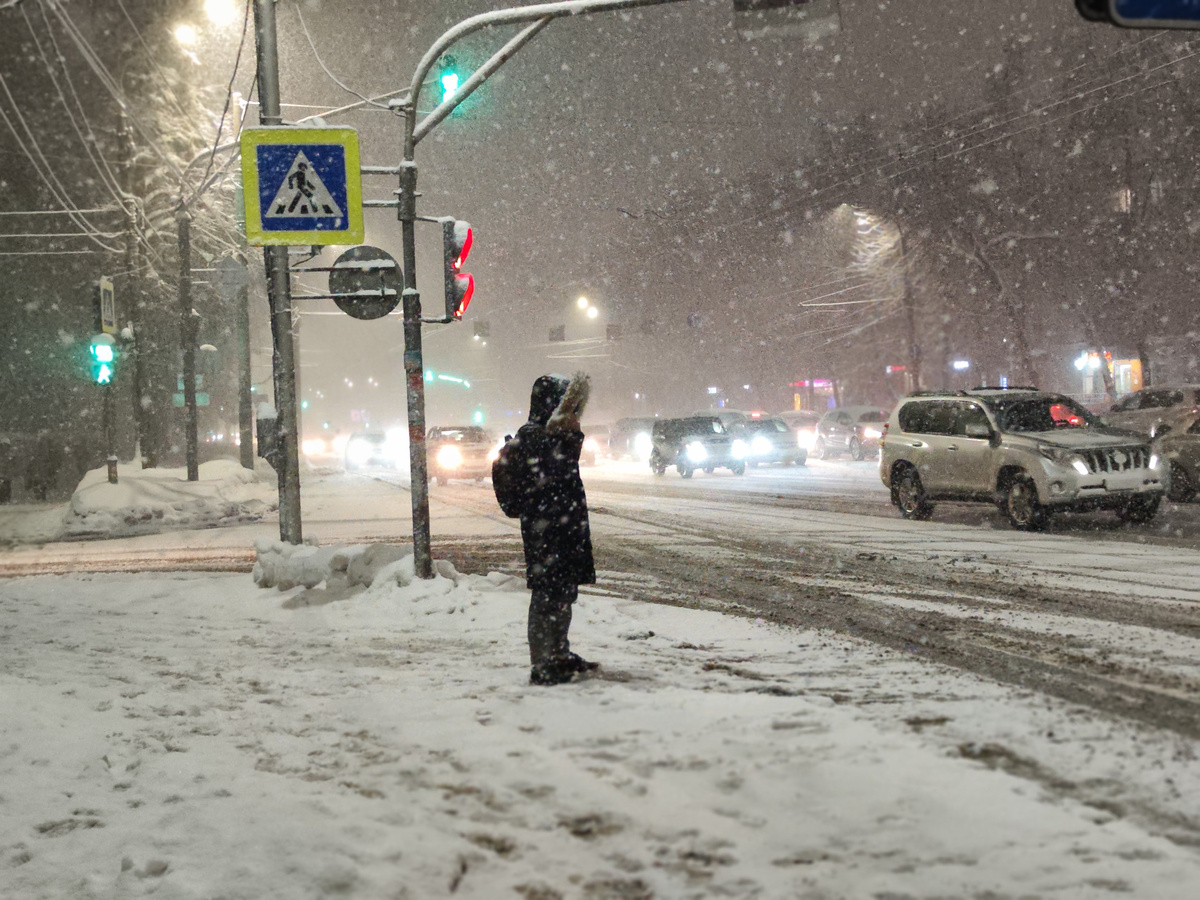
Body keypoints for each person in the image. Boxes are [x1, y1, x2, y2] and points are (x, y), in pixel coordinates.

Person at [517, 372, 599, 685]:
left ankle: (559, 653)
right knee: (546, 596)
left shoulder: (550, 432)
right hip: (546, 529)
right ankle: (542, 663)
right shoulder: (534, 434)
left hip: (564, 525)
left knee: (565, 592)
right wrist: (567, 435)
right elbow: (552, 474)